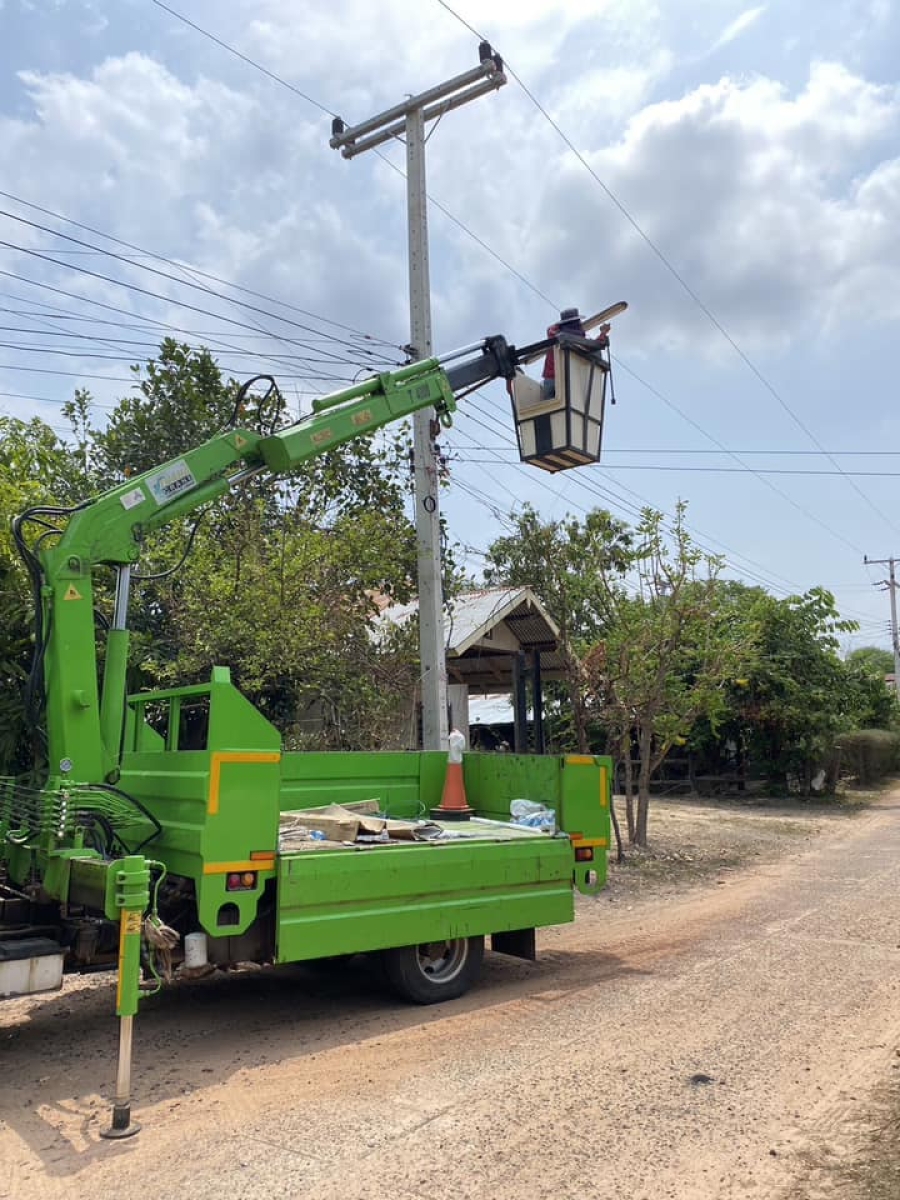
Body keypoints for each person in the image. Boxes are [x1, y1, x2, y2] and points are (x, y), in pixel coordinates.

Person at [541, 307, 610, 400]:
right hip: (565, 381)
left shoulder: (553, 334)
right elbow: (594, 346)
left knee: (549, 410)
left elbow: (550, 328)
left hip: (549, 381)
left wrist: (560, 325)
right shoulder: (577, 339)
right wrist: (603, 333)